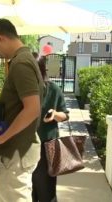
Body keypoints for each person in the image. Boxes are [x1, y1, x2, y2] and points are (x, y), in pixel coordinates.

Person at [0, 18, 44, 202]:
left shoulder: (21, 64)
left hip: (16, 151)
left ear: (0, 38)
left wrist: (1, 138)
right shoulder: (25, 59)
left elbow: (32, 109)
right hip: (21, 149)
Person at [32, 56, 69, 202]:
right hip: (26, 144)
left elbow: (65, 115)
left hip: (47, 145)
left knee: (46, 188)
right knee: (30, 187)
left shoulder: (53, 89)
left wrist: (54, 114)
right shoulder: (23, 89)